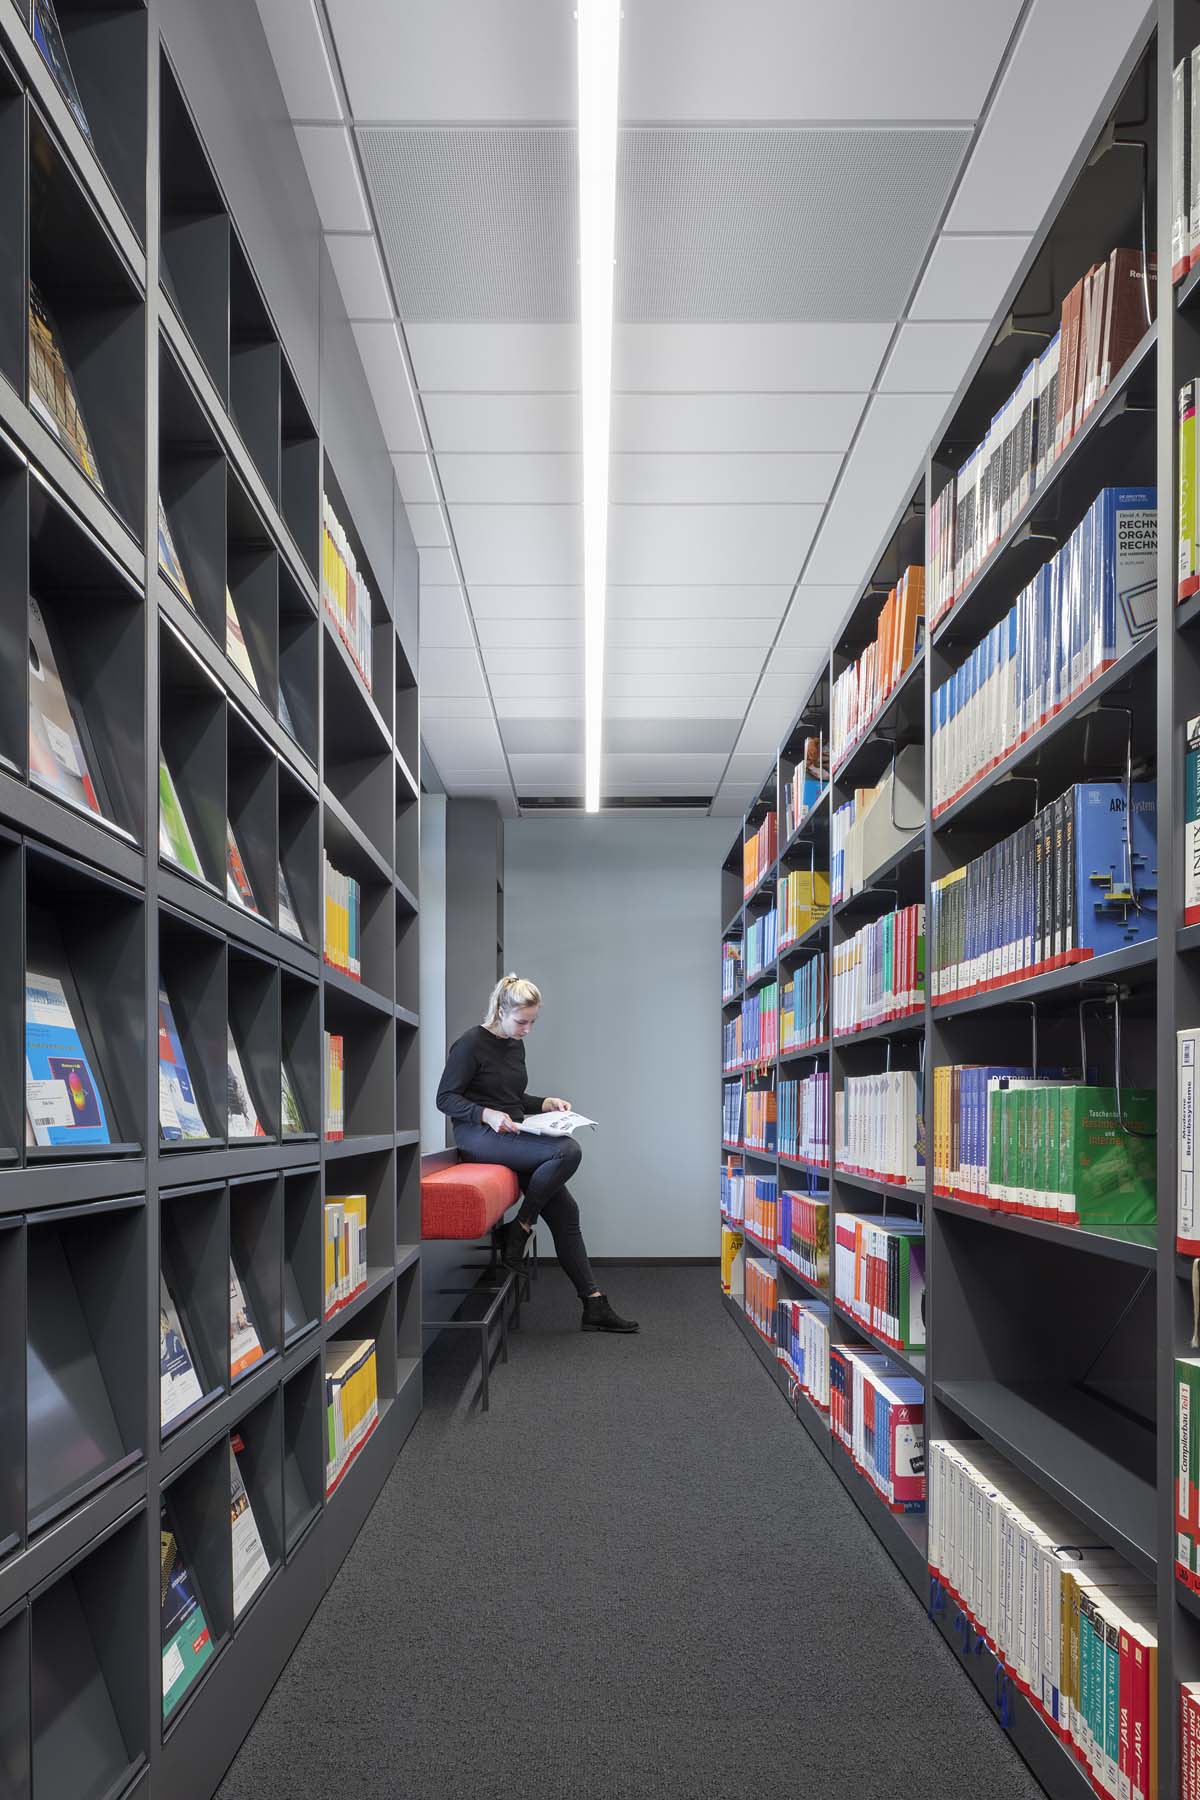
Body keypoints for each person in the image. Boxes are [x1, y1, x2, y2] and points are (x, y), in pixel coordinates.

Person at [436, 974, 638, 1334]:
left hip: (510, 1133)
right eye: (522, 1021)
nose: (527, 1030)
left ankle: (593, 1303)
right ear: (501, 1010)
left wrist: (545, 1103)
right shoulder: (469, 1044)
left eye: (532, 1022)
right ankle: (521, 1228)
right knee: (567, 1151)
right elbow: (446, 1098)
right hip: (477, 1136)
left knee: (567, 1211)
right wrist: (486, 1114)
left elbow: (511, 1098)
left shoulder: (515, 1044)